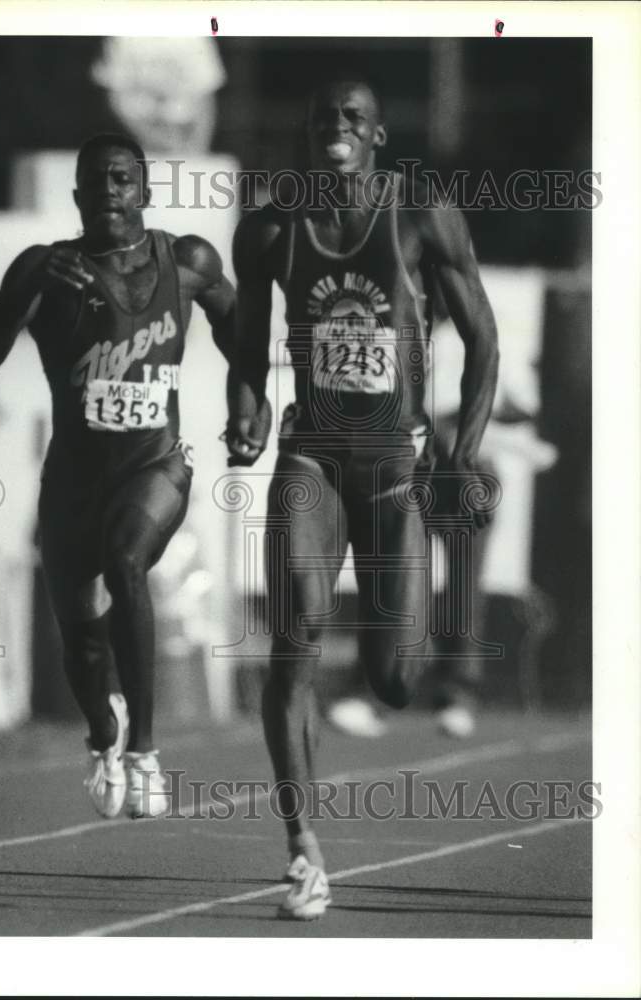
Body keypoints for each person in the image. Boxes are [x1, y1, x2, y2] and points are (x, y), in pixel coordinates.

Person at [225, 80, 499, 919]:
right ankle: (303, 850)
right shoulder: (271, 226)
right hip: (310, 454)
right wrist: (249, 412)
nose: (335, 129)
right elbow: (246, 349)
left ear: (377, 134)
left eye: (351, 118)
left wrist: (462, 453)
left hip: (394, 465)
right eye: (321, 119)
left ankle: (377, 657)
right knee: (293, 632)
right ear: (308, 136)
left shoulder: (420, 213)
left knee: (394, 681)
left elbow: (482, 336)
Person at [0, 132, 237, 820]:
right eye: (96, 182)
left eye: (122, 180)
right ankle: (104, 734)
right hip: (73, 484)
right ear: (77, 197)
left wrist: (253, 402)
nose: (110, 193)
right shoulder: (47, 268)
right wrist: (23, 289)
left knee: (126, 561)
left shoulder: (189, 260)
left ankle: (145, 751)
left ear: (143, 190)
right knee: (81, 646)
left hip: (156, 467)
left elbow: (243, 333)